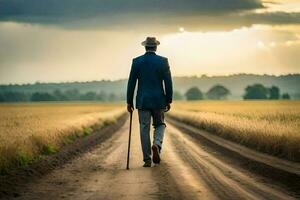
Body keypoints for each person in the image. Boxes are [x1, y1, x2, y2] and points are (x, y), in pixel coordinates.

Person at [126, 37, 173, 167]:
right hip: (159, 100)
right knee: (160, 125)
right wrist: (168, 99)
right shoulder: (163, 61)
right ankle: (157, 144)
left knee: (144, 129)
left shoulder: (137, 62)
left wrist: (129, 101)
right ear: (156, 47)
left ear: (145, 47)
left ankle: (147, 159)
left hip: (143, 100)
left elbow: (131, 83)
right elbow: (168, 82)